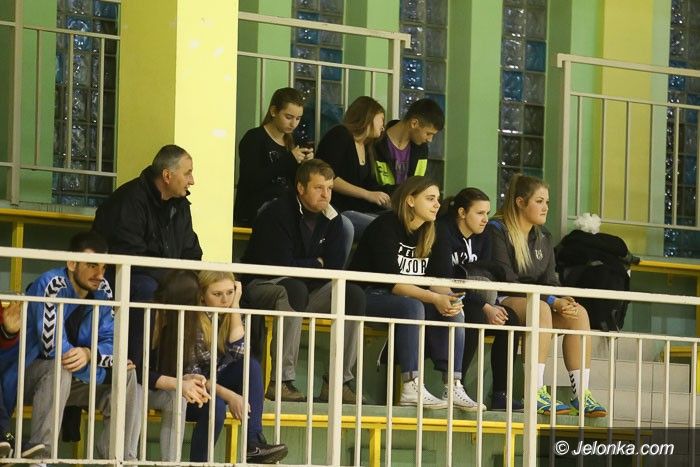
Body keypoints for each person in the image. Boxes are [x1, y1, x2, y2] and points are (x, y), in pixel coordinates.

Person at [92, 144, 203, 460]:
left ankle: (178, 366)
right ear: (167, 175)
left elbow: (192, 251)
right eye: (188, 173)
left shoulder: (181, 206)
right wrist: (173, 276)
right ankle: (139, 365)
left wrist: (185, 277)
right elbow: (129, 255)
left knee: (193, 288)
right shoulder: (129, 200)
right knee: (146, 287)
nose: (192, 181)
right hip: (121, 282)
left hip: (161, 280)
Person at [350, 176, 483, 411]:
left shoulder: (434, 231)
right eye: (430, 199)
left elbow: (438, 281)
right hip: (368, 294)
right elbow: (393, 283)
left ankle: (453, 385)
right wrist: (435, 298)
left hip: (409, 297)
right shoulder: (386, 226)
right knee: (413, 306)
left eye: (438, 199)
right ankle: (411, 386)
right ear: (410, 200)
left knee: (453, 311)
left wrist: (450, 299)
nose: (437, 204)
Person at [242, 159, 366, 403]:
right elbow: (279, 265)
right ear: (300, 188)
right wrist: (315, 264)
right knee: (294, 289)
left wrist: (311, 266)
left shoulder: (334, 219)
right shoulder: (276, 213)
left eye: (329, 188)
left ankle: (338, 383)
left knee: (351, 294)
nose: (326, 195)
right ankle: (281, 381)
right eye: (319, 188)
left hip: (308, 289)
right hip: (263, 285)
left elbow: (332, 268)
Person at [486, 174, 607, 417]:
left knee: (579, 314)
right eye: (539, 201)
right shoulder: (496, 230)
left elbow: (550, 281)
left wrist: (561, 300)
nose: (545, 208)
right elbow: (506, 279)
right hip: (502, 298)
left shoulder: (544, 237)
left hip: (537, 299)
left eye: (547, 202)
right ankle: (535, 391)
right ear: (520, 202)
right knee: (539, 309)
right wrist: (551, 301)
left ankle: (581, 394)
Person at [15, 232, 141, 459]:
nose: (100, 275)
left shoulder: (103, 289)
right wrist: (101, 368)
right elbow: (52, 348)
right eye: (92, 266)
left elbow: (113, 343)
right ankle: (41, 455)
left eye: (104, 267)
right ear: (72, 263)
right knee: (59, 368)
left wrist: (89, 354)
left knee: (127, 375)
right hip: (28, 374)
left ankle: (118, 457)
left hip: (75, 376)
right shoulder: (52, 284)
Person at [152, 270, 288, 464]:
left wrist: (235, 307)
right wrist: (231, 396)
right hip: (190, 390)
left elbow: (240, 353)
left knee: (251, 366)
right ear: (202, 296)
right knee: (215, 405)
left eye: (230, 292)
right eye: (217, 294)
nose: (225, 300)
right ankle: (200, 463)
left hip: (214, 384)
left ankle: (253, 443)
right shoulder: (193, 321)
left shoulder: (231, 315)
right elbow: (195, 378)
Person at [432, 188, 523, 411]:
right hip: (444, 295)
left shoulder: (485, 235)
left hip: (478, 297)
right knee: (473, 315)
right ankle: (455, 385)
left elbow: (488, 274)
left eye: (487, 213)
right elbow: (446, 279)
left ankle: (501, 394)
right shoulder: (442, 231)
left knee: (510, 319)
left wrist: (489, 304)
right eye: (480, 213)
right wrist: (485, 306)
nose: (485, 219)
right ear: (462, 213)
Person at [234, 87, 314, 227]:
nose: (293, 124)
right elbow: (251, 181)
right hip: (256, 208)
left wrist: (306, 165)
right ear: (273, 111)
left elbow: (297, 184)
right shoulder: (254, 138)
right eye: (288, 117)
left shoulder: (292, 142)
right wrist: (289, 160)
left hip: (286, 206)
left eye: (298, 119)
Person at [316, 96, 390, 240]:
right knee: (384, 228)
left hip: (360, 209)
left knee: (395, 221)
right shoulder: (340, 134)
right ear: (369, 116)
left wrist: (389, 200)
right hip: (339, 210)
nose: (383, 126)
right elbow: (329, 178)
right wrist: (367, 194)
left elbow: (370, 184)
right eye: (381, 119)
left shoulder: (367, 146)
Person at [373, 98, 444, 193]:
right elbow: (369, 186)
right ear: (414, 123)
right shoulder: (375, 143)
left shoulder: (422, 149)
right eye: (428, 133)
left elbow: (419, 186)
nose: (430, 140)